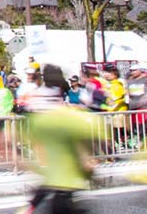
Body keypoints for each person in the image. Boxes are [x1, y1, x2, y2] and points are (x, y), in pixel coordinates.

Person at [24, 64, 97, 214]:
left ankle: (31, 206)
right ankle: (40, 204)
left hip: (45, 134)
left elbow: (31, 109)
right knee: (59, 177)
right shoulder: (55, 91)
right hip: (58, 134)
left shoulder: (38, 92)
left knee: (54, 175)